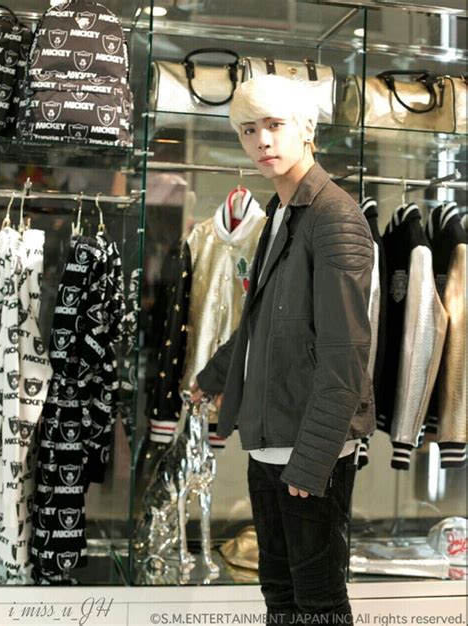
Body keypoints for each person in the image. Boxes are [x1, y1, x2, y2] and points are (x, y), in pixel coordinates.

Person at [191, 74, 375, 625]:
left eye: (275, 126)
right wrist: (211, 376)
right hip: (270, 443)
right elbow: (262, 326)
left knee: (318, 603)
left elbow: (347, 356)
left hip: (309, 448)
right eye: (249, 130)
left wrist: (312, 460)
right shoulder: (281, 214)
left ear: (307, 130)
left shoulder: (335, 218)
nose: (262, 141)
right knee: (279, 593)